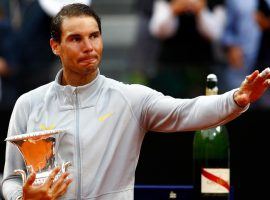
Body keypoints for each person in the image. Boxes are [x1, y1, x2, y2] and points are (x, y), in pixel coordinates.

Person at [2, 3, 270, 200]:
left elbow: (187, 111)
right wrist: (24, 198)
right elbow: (11, 181)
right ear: (55, 46)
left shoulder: (129, 98)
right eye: (75, 39)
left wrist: (236, 98)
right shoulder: (28, 104)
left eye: (94, 36)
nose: (88, 46)